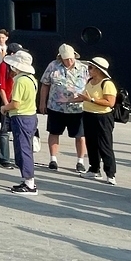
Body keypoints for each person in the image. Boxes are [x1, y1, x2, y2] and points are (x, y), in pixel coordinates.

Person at [39, 44, 89, 172]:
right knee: (54, 132)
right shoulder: (53, 66)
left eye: (71, 58)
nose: (69, 61)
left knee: (80, 135)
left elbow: (90, 86)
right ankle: (53, 159)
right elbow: (45, 84)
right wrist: (42, 103)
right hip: (56, 107)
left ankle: (80, 161)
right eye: (66, 59)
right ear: (60, 58)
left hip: (77, 108)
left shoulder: (84, 68)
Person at [72, 57, 118, 184]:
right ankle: (94, 170)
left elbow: (110, 103)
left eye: (91, 67)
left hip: (103, 118)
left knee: (105, 145)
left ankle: (110, 174)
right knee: (91, 143)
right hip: (88, 115)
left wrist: (91, 100)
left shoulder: (107, 83)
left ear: (99, 70)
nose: (88, 70)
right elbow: (84, 97)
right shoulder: (90, 81)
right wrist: (68, 100)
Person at [1, 50, 40, 195]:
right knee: (26, 148)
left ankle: (30, 183)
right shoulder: (31, 79)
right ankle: (27, 181)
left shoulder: (20, 80)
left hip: (21, 117)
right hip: (30, 116)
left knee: (23, 149)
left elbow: (15, 104)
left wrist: (4, 108)